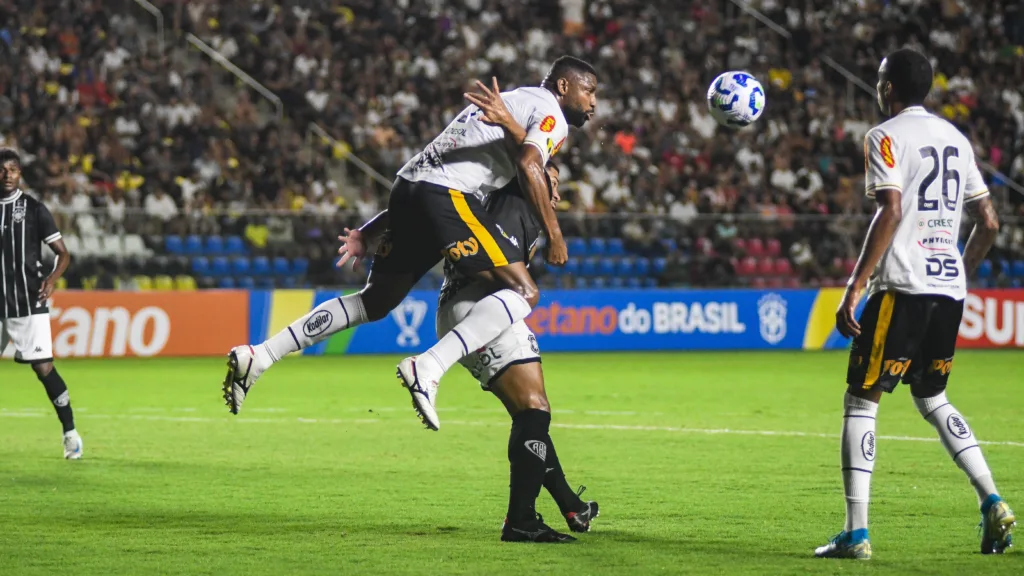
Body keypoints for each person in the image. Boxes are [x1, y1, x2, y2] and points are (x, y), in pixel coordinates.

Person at [223, 57, 598, 433]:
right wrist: (555, 236)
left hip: (409, 188)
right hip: (446, 195)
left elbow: (434, 178)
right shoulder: (551, 114)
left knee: (375, 301)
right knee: (524, 290)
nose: (593, 102)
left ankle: (261, 355)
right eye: (589, 91)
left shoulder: (517, 101)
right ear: (564, 86)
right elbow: (531, 163)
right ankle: (429, 366)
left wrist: (368, 231)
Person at [815, 49, 1013, 560]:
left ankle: (856, 534)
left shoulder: (884, 136)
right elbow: (988, 221)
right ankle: (992, 498)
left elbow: (892, 208)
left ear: (887, 87)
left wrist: (855, 286)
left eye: (879, 81)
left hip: (901, 286)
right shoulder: (956, 139)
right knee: (932, 399)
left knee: (862, 400)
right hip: (947, 292)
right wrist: (958, 272)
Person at [0, 147, 82, 459]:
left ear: (20, 173)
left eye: (13, 169)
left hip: (27, 301)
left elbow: (63, 253)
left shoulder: (34, 209)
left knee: (43, 367)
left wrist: (51, 279)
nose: (8, 175)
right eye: (2, 170)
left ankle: (70, 432)